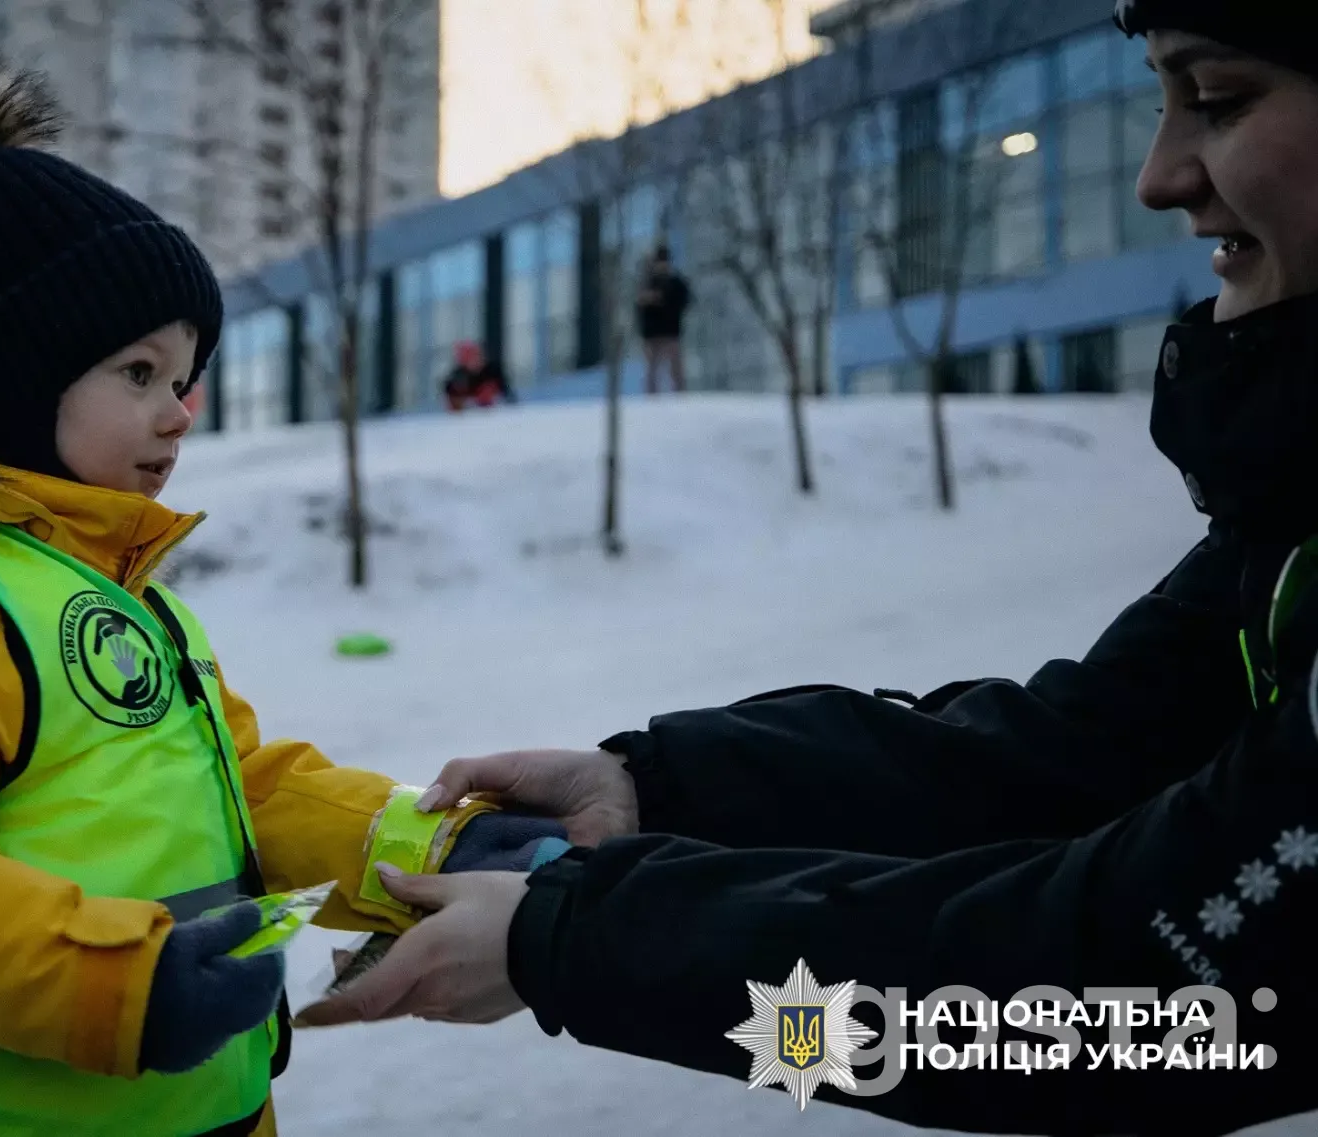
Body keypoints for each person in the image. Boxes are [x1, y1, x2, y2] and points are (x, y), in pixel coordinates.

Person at [294, 3, 1318, 1134]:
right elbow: (1063, 756)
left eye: (1216, 99)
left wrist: (575, 945)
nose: (1157, 175)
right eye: (1159, 100)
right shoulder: (1287, 524)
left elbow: (1124, 1006)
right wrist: (657, 792)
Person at [0, 13, 562, 1137]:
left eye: (187, 375)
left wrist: (425, 844)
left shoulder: (105, 590)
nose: (183, 411)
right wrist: (115, 982)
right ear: (1, 376)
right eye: (140, 371)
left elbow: (248, 789)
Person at [634, 245, 692, 394]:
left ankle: (681, 398)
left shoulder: (676, 283)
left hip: (671, 332)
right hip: (652, 334)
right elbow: (638, 306)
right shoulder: (648, 283)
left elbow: (685, 301)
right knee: (652, 372)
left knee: (676, 371)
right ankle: (652, 402)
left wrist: (663, 300)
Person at [443, 339, 516, 411]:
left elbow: (510, 399)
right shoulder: (457, 377)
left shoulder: (494, 371)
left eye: (475, 355)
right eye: (468, 357)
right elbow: (452, 405)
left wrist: (493, 396)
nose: (473, 360)